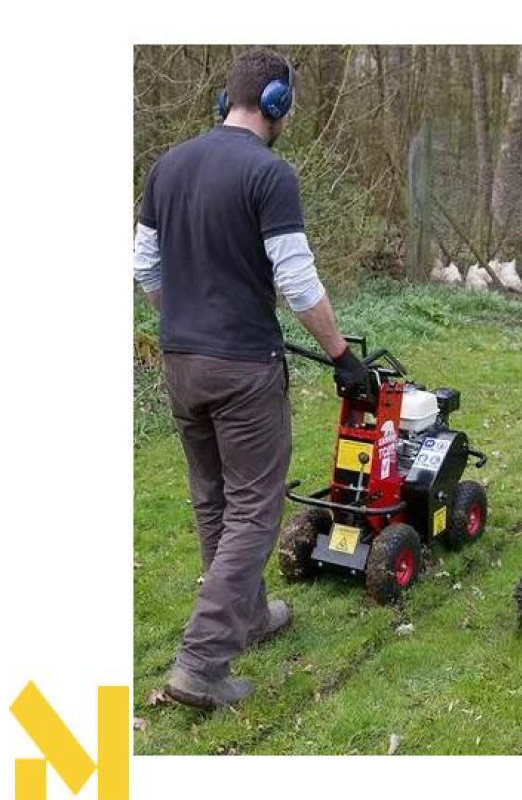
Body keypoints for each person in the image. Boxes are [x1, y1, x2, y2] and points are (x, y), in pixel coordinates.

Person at [133, 48, 368, 710]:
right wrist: (341, 354)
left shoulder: (167, 166)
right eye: (287, 105)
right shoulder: (270, 173)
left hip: (180, 363)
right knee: (255, 509)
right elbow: (296, 281)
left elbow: (145, 267)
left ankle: (251, 615)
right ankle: (201, 664)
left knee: (214, 499)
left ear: (224, 100)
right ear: (274, 104)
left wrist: (186, 320)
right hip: (242, 369)